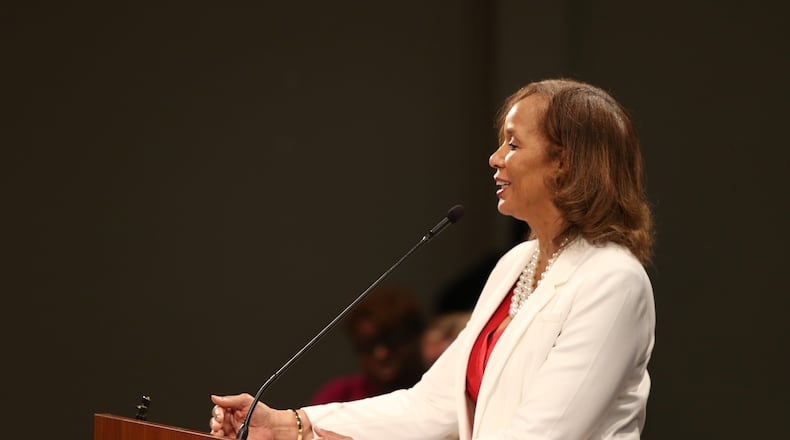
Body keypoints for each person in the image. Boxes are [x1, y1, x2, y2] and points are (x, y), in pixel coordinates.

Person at [209, 78, 656, 440]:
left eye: (514, 145)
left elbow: (543, 433)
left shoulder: (613, 279)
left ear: (566, 163)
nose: (495, 158)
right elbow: (431, 406)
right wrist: (290, 424)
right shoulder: (516, 265)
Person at [308, 287, 427, 405]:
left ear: (416, 337)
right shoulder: (339, 395)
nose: (381, 354)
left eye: (392, 342)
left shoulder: (435, 389)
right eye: (368, 345)